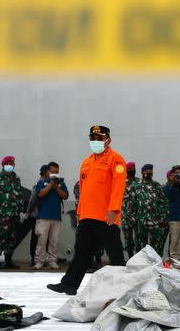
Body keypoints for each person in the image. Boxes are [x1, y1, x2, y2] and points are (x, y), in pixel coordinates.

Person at [47, 125, 127, 295]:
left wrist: (113, 209)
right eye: (93, 138)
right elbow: (84, 190)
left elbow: (118, 186)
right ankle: (69, 285)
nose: (96, 141)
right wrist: (80, 213)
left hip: (106, 216)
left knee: (115, 253)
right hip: (87, 215)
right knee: (81, 251)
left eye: (99, 138)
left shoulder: (116, 159)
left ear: (108, 140)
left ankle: (122, 287)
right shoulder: (87, 162)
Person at [0, 156, 25, 269]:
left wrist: (21, 211)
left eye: (13, 163)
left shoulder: (16, 178)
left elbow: (20, 195)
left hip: (13, 214)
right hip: (1, 214)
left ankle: (8, 260)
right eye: (10, 163)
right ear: (4, 164)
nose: (12, 165)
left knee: (11, 238)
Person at [33, 161, 68, 269]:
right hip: (43, 217)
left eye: (57, 172)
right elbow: (40, 194)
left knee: (54, 241)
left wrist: (56, 187)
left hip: (56, 217)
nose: (55, 174)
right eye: (53, 172)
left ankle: (52, 261)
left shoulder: (61, 183)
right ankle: (39, 261)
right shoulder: (42, 182)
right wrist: (50, 185)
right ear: (48, 171)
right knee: (42, 241)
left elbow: (65, 196)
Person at [133, 163, 170, 256]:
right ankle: (141, 262)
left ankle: (156, 262)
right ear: (142, 172)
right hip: (140, 219)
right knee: (141, 243)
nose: (148, 173)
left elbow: (163, 202)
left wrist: (163, 217)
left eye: (150, 171)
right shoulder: (136, 185)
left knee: (156, 244)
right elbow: (131, 202)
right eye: (146, 171)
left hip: (155, 219)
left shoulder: (157, 185)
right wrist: (133, 217)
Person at [19, 164, 49, 268]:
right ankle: (34, 259)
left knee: (44, 238)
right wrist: (28, 212)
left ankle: (40, 258)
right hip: (36, 215)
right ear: (45, 172)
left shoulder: (46, 183)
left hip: (44, 214)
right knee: (36, 237)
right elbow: (32, 199)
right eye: (49, 171)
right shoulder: (39, 183)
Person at [121, 161, 140, 258]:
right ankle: (130, 257)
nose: (132, 170)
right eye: (130, 168)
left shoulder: (139, 181)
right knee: (128, 238)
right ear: (126, 170)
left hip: (138, 215)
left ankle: (139, 258)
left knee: (139, 238)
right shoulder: (121, 182)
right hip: (126, 215)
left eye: (133, 168)